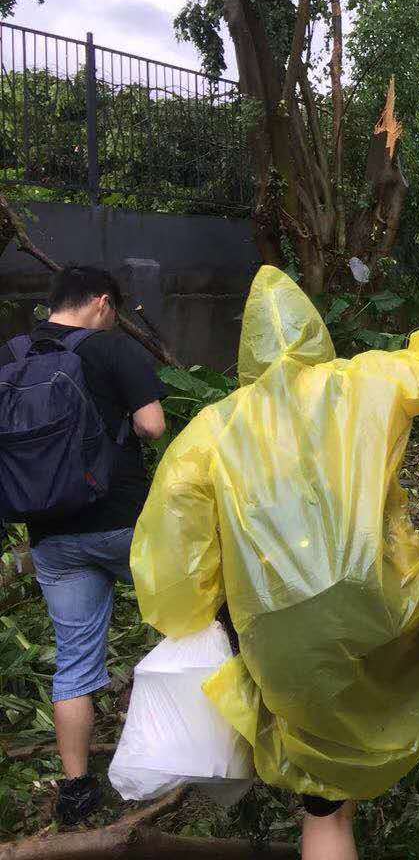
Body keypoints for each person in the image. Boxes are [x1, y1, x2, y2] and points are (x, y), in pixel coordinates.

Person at [131, 267, 419, 860]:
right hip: (385, 601)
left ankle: (330, 804)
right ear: (314, 330)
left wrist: (199, 619)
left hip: (280, 634)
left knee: (322, 795)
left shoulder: (208, 433)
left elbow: (176, 563)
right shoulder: (366, 380)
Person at [0, 266, 166, 825]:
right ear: (101, 303)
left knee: (73, 664)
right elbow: (153, 425)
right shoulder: (110, 349)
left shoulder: (12, 356)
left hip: (51, 534)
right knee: (189, 617)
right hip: (123, 523)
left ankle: (75, 791)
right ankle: (194, 744)